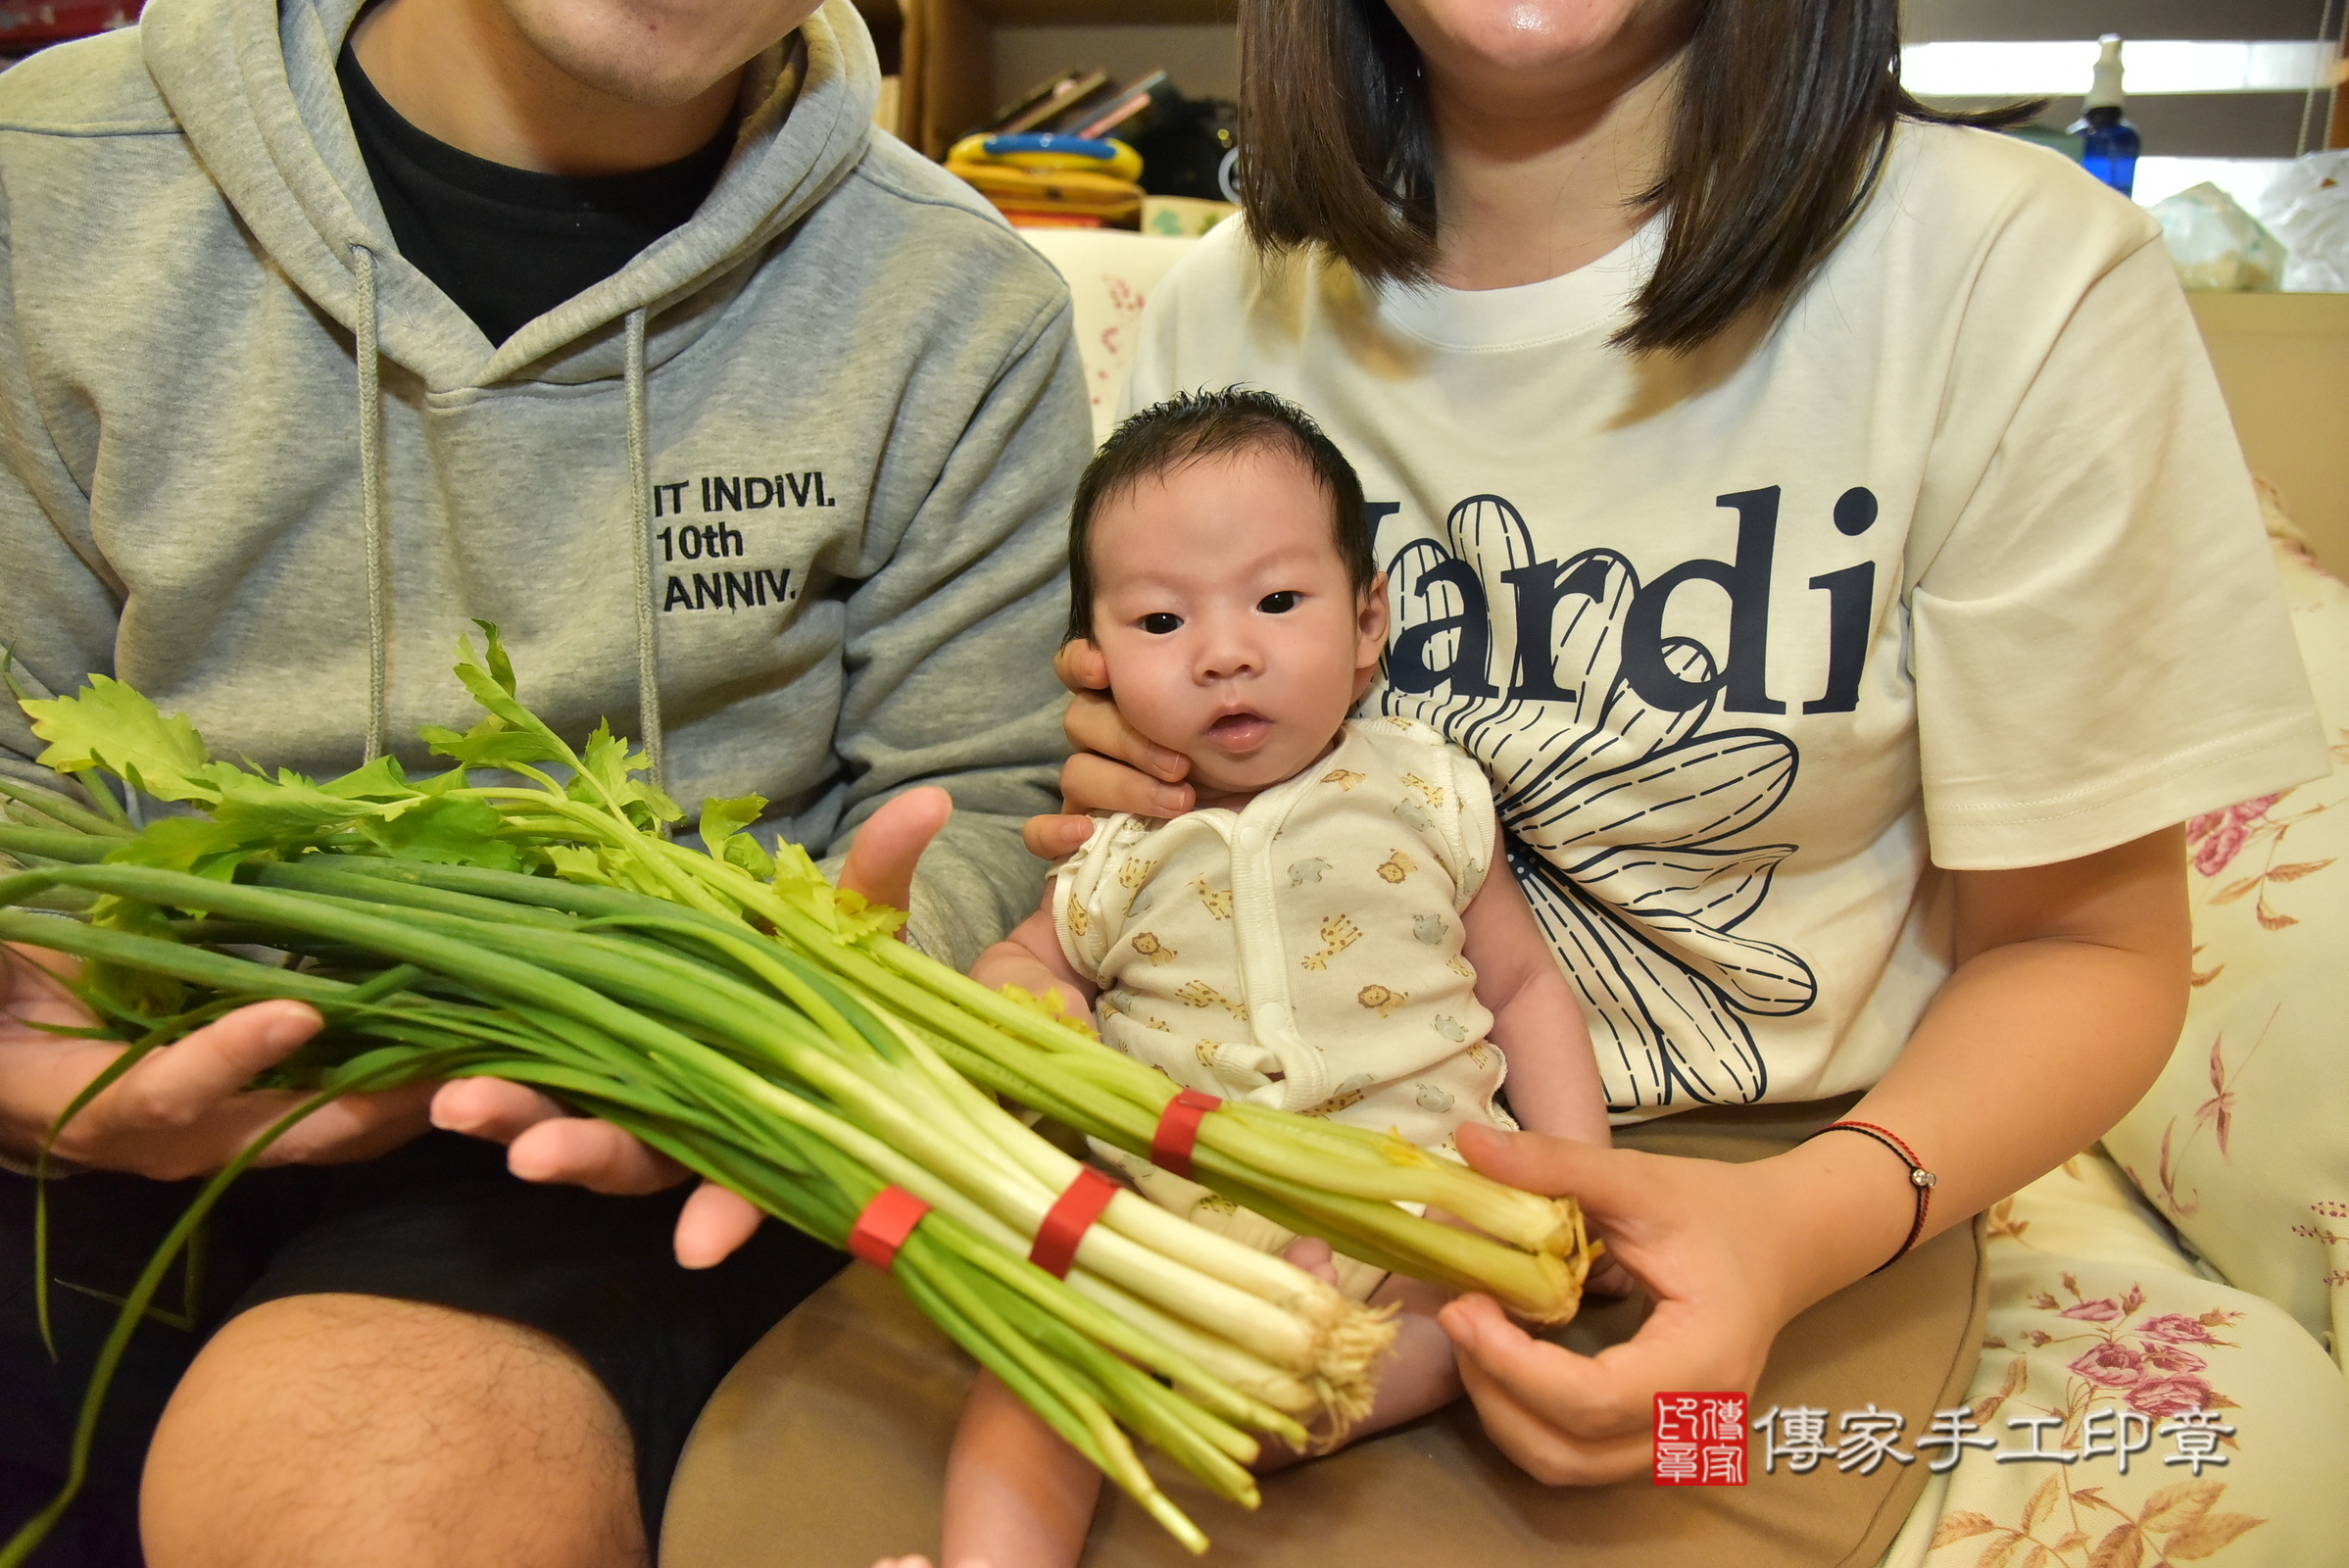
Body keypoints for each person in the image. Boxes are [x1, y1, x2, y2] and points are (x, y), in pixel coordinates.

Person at [1015, 0, 2349, 1559]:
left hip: (1799, 1182)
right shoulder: (1223, 311)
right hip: (1273, 1159)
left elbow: (2087, 948)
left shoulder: (2011, 273)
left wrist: (1793, 1233)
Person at [0, 0, 1086, 1560]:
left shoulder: (956, 304)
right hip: (97, 1076)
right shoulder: (45, 182)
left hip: (586, 1150)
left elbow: (979, 814)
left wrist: (768, 1051)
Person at [890, 388, 1612, 1568]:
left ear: (1369, 619)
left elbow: (1527, 990)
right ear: (1094, 656)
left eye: (1280, 602)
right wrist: (1033, 992)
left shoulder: (1426, 791)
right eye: (1162, 621)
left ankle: (1296, 1401)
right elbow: (1030, 956)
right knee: (1039, 1357)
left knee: (1476, 1325)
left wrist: (1584, 1180)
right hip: (1168, 1237)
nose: (1227, 652)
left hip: (1419, 1206)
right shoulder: (1116, 839)